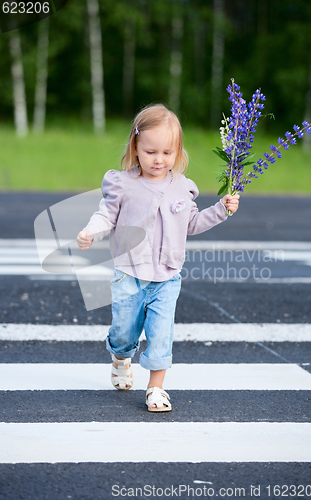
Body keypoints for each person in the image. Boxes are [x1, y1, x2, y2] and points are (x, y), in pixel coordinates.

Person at [77, 103, 239, 412]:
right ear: (135, 148)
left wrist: (221, 210)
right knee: (124, 331)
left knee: (161, 331)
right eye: (151, 152)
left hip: (167, 276)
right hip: (129, 273)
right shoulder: (122, 183)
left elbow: (191, 224)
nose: (159, 160)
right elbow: (105, 216)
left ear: (178, 152)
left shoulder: (183, 187)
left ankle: (155, 387)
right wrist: (90, 231)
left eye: (167, 153)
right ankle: (121, 357)